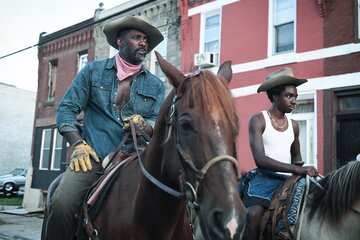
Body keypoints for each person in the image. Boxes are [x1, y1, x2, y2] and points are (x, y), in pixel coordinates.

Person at [43, 16, 165, 239]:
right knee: (61, 203)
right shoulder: (92, 72)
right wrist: (77, 144)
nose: (143, 43)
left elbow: (158, 122)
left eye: (146, 39)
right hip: (92, 157)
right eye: (137, 37)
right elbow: (66, 109)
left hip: (135, 160)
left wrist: (144, 124)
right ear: (120, 41)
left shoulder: (156, 85)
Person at [239, 68, 318, 240]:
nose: (294, 101)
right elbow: (260, 160)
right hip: (264, 178)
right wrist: (298, 170)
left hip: (289, 180)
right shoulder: (258, 120)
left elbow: (296, 157)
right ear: (275, 97)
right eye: (289, 96)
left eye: (295, 97)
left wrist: (300, 169)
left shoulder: (294, 125)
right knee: (252, 216)